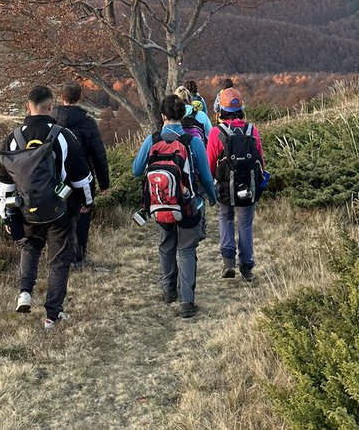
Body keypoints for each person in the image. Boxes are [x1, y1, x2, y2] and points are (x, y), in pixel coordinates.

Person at [0, 85, 93, 328]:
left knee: (30, 247)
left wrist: (6, 215)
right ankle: (52, 315)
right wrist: (87, 203)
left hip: (25, 208)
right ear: (51, 106)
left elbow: (5, 184)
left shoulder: (13, 138)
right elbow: (82, 178)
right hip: (60, 209)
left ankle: (24, 292)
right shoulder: (63, 135)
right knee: (59, 261)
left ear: (27, 106)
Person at [132, 93, 217, 318]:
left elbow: (136, 170)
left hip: (161, 203)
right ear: (183, 115)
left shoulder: (152, 140)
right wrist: (212, 197)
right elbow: (207, 177)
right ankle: (187, 302)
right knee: (187, 249)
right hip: (189, 204)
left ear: (163, 116)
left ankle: (168, 291)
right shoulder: (193, 142)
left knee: (166, 245)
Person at [206, 87, 265, 283]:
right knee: (246, 223)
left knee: (225, 216)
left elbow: (209, 162)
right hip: (248, 186)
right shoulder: (252, 130)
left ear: (220, 110)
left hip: (225, 187)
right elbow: (260, 160)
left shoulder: (216, 133)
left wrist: (210, 186)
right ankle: (247, 266)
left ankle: (228, 261)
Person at [52, 81, 111, 265]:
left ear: (61, 97)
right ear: (79, 97)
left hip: (56, 178)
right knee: (83, 217)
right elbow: (98, 154)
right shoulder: (87, 122)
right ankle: (79, 257)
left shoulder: (52, 119)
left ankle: (60, 257)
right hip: (83, 177)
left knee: (59, 218)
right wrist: (104, 183)